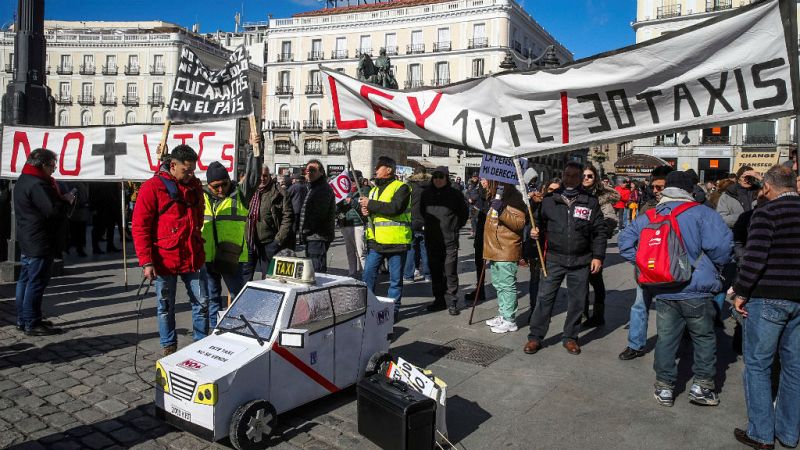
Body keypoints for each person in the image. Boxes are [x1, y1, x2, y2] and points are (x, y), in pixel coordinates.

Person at [619, 171, 733, 407]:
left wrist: (644, 265)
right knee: (703, 338)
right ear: (689, 190)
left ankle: (664, 388)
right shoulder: (703, 213)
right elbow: (723, 247)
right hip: (697, 289)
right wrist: (710, 267)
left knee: (666, 339)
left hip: (663, 288)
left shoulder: (650, 214)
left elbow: (625, 242)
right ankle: (702, 387)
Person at [732, 165, 800, 450]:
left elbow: (755, 257)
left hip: (768, 296)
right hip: (798, 297)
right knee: (794, 367)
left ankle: (761, 433)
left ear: (769, 187)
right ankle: (788, 433)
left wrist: (741, 292)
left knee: (758, 366)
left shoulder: (766, 212)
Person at [132, 145, 208, 356]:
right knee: (165, 305)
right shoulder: (152, 187)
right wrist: (146, 262)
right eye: (187, 170)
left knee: (201, 303)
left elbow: (200, 212)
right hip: (164, 259)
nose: (191, 174)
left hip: (193, 255)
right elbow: (140, 227)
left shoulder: (194, 185)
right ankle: (169, 346)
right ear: (173, 165)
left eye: (193, 170)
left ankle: (201, 344)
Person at [525, 162, 607, 354]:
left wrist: (598, 256)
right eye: (567, 175)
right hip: (554, 259)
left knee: (578, 301)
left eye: (574, 176)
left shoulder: (590, 201)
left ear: (580, 179)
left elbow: (599, 231)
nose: (569, 179)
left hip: (581, 260)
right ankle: (535, 337)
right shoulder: (549, 200)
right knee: (544, 299)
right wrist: (534, 231)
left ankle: (570, 337)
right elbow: (536, 222)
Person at [201, 137, 260, 329]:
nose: (220, 189)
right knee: (212, 298)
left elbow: (252, 177)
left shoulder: (240, 194)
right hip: (207, 256)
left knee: (237, 297)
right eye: (215, 186)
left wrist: (253, 149)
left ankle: (237, 330)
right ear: (208, 185)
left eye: (224, 184)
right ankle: (214, 332)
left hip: (231, 256)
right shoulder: (200, 197)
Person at [14, 148, 74, 336]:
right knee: (36, 282)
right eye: (51, 165)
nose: (54, 169)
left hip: (29, 238)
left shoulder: (24, 179)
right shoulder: (37, 184)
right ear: (42, 165)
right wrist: (66, 200)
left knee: (25, 280)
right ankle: (31, 322)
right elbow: (52, 211)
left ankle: (25, 319)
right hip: (39, 240)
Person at [618, 165, 673, 360]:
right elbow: (630, 237)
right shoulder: (647, 208)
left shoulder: (680, 208)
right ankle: (635, 344)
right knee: (639, 306)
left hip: (670, 270)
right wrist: (638, 260)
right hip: (646, 270)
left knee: (668, 311)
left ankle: (669, 347)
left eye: (661, 187)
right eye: (654, 187)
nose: (657, 191)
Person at [360, 156, 412, 318]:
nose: (375, 170)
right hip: (376, 241)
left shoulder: (401, 187)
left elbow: (395, 208)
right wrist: (366, 212)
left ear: (388, 169)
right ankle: (366, 307)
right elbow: (374, 212)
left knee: (395, 281)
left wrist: (370, 205)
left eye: (378, 167)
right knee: (368, 275)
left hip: (396, 242)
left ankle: (392, 312)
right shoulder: (374, 190)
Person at [422, 166, 469, 315]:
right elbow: (422, 212)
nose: (438, 179)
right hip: (432, 239)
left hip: (449, 239)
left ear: (446, 178)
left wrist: (454, 227)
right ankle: (439, 300)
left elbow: (464, 214)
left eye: (441, 176)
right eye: (435, 176)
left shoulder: (455, 194)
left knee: (450, 272)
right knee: (435, 271)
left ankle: (453, 301)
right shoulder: (426, 193)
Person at [482, 182, 527, 333]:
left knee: (507, 285)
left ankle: (509, 320)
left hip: (506, 249)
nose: (485, 182)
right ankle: (503, 314)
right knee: (499, 284)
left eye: (488, 180)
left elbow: (519, 223)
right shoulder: (499, 194)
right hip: (496, 248)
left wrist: (501, 209)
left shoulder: (514, 197)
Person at [581, 165, 620, 327]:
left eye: (590, 176)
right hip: (577, 245)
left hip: (594, 245)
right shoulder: (573, 194)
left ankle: (598, 315)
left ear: (595, 178)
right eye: (583, 175)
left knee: (595, 281)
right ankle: (581, 315)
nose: (586, 179)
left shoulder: (601, 197)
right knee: (579, 282)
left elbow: (610, 220)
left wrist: (595, 229)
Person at [247, 164, 293, 280]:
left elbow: (287, 217)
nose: (262, 178)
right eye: (259, 175)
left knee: (268, 279)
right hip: (250, 242)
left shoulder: (280, 193)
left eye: (265, 175)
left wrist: (278, 240)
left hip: (269, 243)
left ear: (269, 176)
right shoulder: (248, 191)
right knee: (244, 279)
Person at [298, 159, 336, 273]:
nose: (309, 172)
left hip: (318, 237)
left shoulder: (323, 189)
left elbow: (319, 215)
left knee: (316, 272)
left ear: (321, 172)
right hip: (313, 237)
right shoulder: (314, 187)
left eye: (313, 170)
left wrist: (306, 230)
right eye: (307, 170)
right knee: (311, 270)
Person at [464, 177, 491, 303]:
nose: (483, 182)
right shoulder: (480, 193)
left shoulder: (498, 194)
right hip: (481, 230)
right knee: (479, 261)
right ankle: (480, 290)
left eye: (486, 180)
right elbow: (476, 211)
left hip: (493, 232)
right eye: (482, 180)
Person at [404, 166, 431, 282]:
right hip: (427, 220)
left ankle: (409, 275)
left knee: (411, 249)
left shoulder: (409, 186)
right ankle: (428, 275)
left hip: (412, 219)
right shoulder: (431, 187)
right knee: (425, 249)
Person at [338, 174, 366, 278]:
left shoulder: (362, 192)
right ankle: (352, 271)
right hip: (346, 224)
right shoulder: (343, 193)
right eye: (349, 181)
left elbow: (364, 208)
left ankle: (364, 271)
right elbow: (337, 210)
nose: (351, 182)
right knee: (350, 251)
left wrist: (352, 202)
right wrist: (339, 203)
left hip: (357, 224)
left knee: (360, 251)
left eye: (353, 181)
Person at [717, 165, 760, 229]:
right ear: (738, 179)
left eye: (750, 177)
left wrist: (760, 178)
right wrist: (744, 218)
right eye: (744, 177)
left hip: (757, 234)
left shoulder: (760, 193)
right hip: (736, 234)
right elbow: (722, 218)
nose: (746, 180)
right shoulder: (727, 196)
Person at [66, 181, 90, 257]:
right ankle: (76, 248)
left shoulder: (84, 184)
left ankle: (78, 248)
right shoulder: (75, 184)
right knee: (76, 232)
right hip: (76, 212)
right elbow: (71, 196)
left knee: (80, 232)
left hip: (81, 212)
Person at [287, 173, 308, 249]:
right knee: (301, 227)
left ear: (295, 180)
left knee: (294, 228)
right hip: (302, 209)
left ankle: (293, 243)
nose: (292, 181)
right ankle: (302, 241)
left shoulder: (294, 187)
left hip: (294, 209)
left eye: (293, 179)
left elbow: (287, 195)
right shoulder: (304, 187)